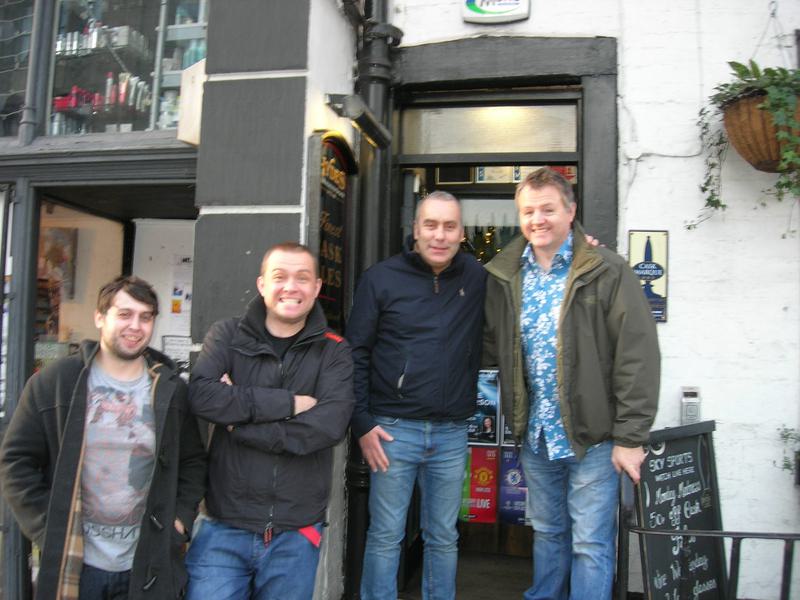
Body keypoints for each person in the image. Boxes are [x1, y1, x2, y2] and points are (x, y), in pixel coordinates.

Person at [483, 167, 660, 600]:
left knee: (590, 544)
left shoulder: (607, 270)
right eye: (528, 211)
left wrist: (630, 437)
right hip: (537, 435)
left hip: (593, 438)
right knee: (547, 533)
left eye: (548, 209)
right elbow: (491, 346)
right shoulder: (505, 275)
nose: (537, 219)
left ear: (571, 211)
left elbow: (637, 356)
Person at [0, 275, 207, 600]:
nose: (135, 326)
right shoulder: (56, 382)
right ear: (100, 317)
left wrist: (179, 520)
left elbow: (193, 462)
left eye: (145, 317)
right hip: (76, 564)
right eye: (124, 314)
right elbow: (15, 462)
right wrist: (49, 528)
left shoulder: (170, 389)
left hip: (147, 563)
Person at [185, 242, 354, 600]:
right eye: (280, 277)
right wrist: (289, 403)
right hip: (223, 527)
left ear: (317, 288)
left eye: (302, 278)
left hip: (295, 533)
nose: (291, 287)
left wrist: (239, 424)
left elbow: (328, 426)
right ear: (262, 284)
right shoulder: (227, 335)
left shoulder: (334, 350)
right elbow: (202, 396)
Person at [348, 191, 487, 600]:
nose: (439, 235)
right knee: (386, 536)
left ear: (462, 233)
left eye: (449, 226)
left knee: (443, 537)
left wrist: (576, 242)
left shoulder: (476, 277)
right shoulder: (380, 278)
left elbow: (527, 263)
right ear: (416, 229)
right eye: (431, 225)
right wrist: (362, 423)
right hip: (392, 431)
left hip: (451, 433)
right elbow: (355, 353)